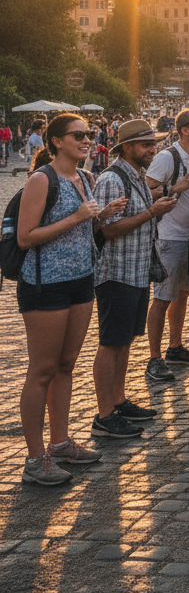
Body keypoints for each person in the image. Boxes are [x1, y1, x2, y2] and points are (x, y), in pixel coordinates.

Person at [15, 115, 122, 483]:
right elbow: (26, 237)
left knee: (66, 365)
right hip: (45, 284)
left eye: (90, 134)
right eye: (79, 135)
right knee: (41, 370)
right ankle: (33, 460)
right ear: (57, 141)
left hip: (80, 280)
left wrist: (99, 216)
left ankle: (60, 444)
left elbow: (82, 228)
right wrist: (77, 217)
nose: (88, 140)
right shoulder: (41, 179)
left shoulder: (86, 178)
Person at [92, 121, 178, 438]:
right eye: (146, 145)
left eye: (153, 144)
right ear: (127, 147)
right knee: (111, 343)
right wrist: (152, 213)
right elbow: (109, 228)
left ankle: (118, 399)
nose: (153, 149)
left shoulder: (137, 176)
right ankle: (103, 416)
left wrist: (158, 208)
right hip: (116, 273)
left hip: (136, 271)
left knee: (124, 341)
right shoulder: (112, 179)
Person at [143, 109, 189, 384]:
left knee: (182, 295)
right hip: (169, 237)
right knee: (162, 297)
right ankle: (154, 357)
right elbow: (145, 189)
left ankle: (175, 346)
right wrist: (174, 188)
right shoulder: (167, 157)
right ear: (184, 130)